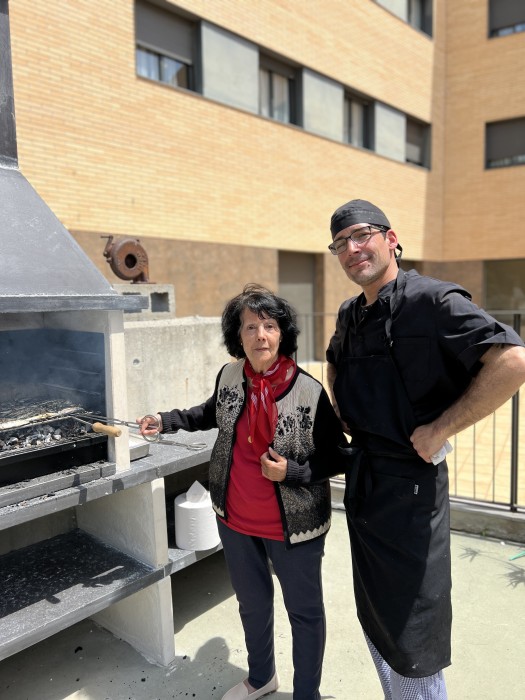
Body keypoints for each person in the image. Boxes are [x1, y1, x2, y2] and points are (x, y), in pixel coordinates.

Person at [325, 198, 525, 700]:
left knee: (415, 629)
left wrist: (441, 428)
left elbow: (512, 361)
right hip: (365, 484)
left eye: (362, 235)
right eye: (341, 243)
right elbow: (333, 361)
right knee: (375, 612)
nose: (352, 249)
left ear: (391, 240)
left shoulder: (431, 301)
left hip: (413, 492)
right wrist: (342, 407)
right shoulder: (350, 313)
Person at [138, 284, 347, 700]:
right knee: (252, 605)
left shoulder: (308, 391)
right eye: (250, 327)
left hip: (294, 528)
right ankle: (261, 677)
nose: (260, 336)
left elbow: (340, 457)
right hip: (235, 518)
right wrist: (167, 420)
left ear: (283, 333)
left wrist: (293, 471)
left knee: (304, 613)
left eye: (269, 326)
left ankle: (307, 693)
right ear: (238, 335)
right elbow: (210, 412)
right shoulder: (231, 375)